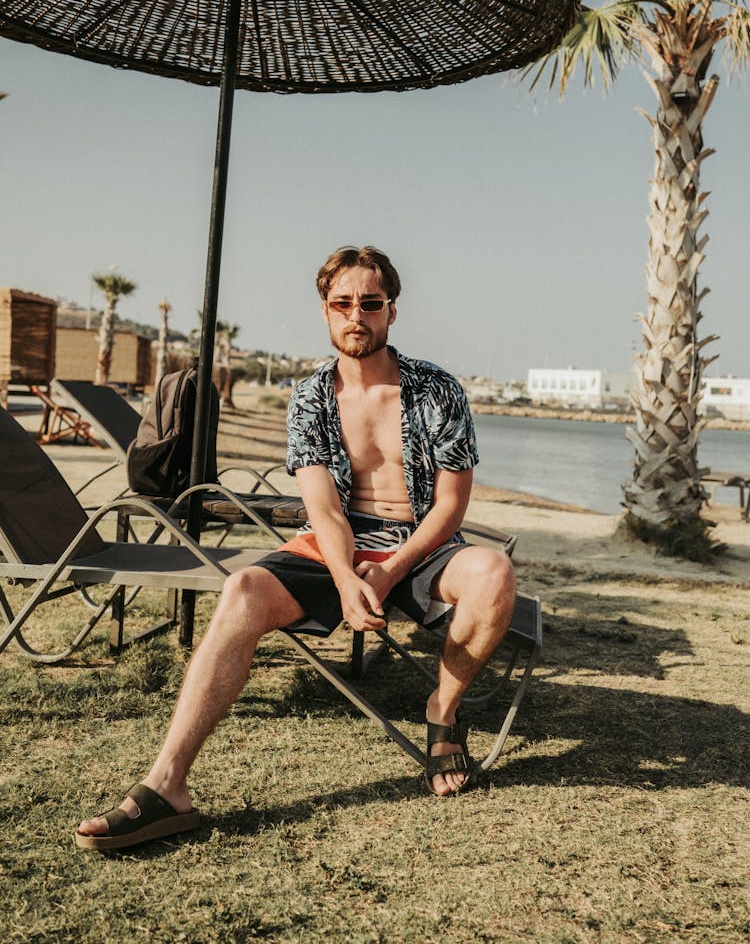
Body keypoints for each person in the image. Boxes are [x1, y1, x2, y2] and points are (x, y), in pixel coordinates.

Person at [76, 245, 516, 851]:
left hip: (422, 545)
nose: (355, 315)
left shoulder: (437, 390)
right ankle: (166, 786)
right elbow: (324, 507)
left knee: (493, 571)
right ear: (326, 311)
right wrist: (344, 574)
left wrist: (387, 572)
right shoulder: (311, 397)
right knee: (243, 588)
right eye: (342, 303)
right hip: (340, 538)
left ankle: (442, 711)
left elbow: (449, 507)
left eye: (370, 303)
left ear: (392, 311)